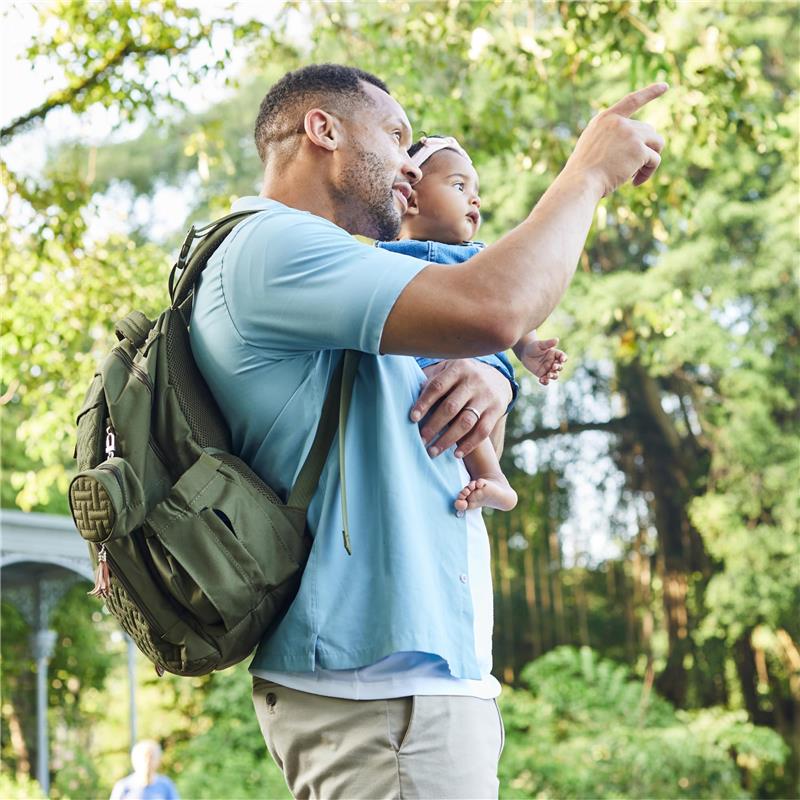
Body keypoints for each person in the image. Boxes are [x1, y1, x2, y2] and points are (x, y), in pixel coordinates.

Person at [189, 64, 665, 799]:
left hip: (402, 689)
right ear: (324, 130)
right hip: (383, 697)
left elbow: (470, 343)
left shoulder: (336, 273)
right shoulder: (272, 247)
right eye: (397, 136)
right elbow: (493, 307)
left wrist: (497, 374)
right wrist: (589, 172)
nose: (412, 164)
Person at [376, 134, 568, 514]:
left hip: (476, 359)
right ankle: (488, 477)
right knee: (447, 397)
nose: (474, 199)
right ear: (410, 199)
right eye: (459, 186)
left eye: (476, 190)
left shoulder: (480, 257)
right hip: (423, 370)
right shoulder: (383, 256)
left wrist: (529, 350)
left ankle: (495, 478)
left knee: (458, 393)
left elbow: (507, 306)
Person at [109, 740, 179, 800]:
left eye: (151, 757)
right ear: (134, 760)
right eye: (144, 757)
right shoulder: (123, 787)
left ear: (158, 760)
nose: (147, 761)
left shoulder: (166, 785)